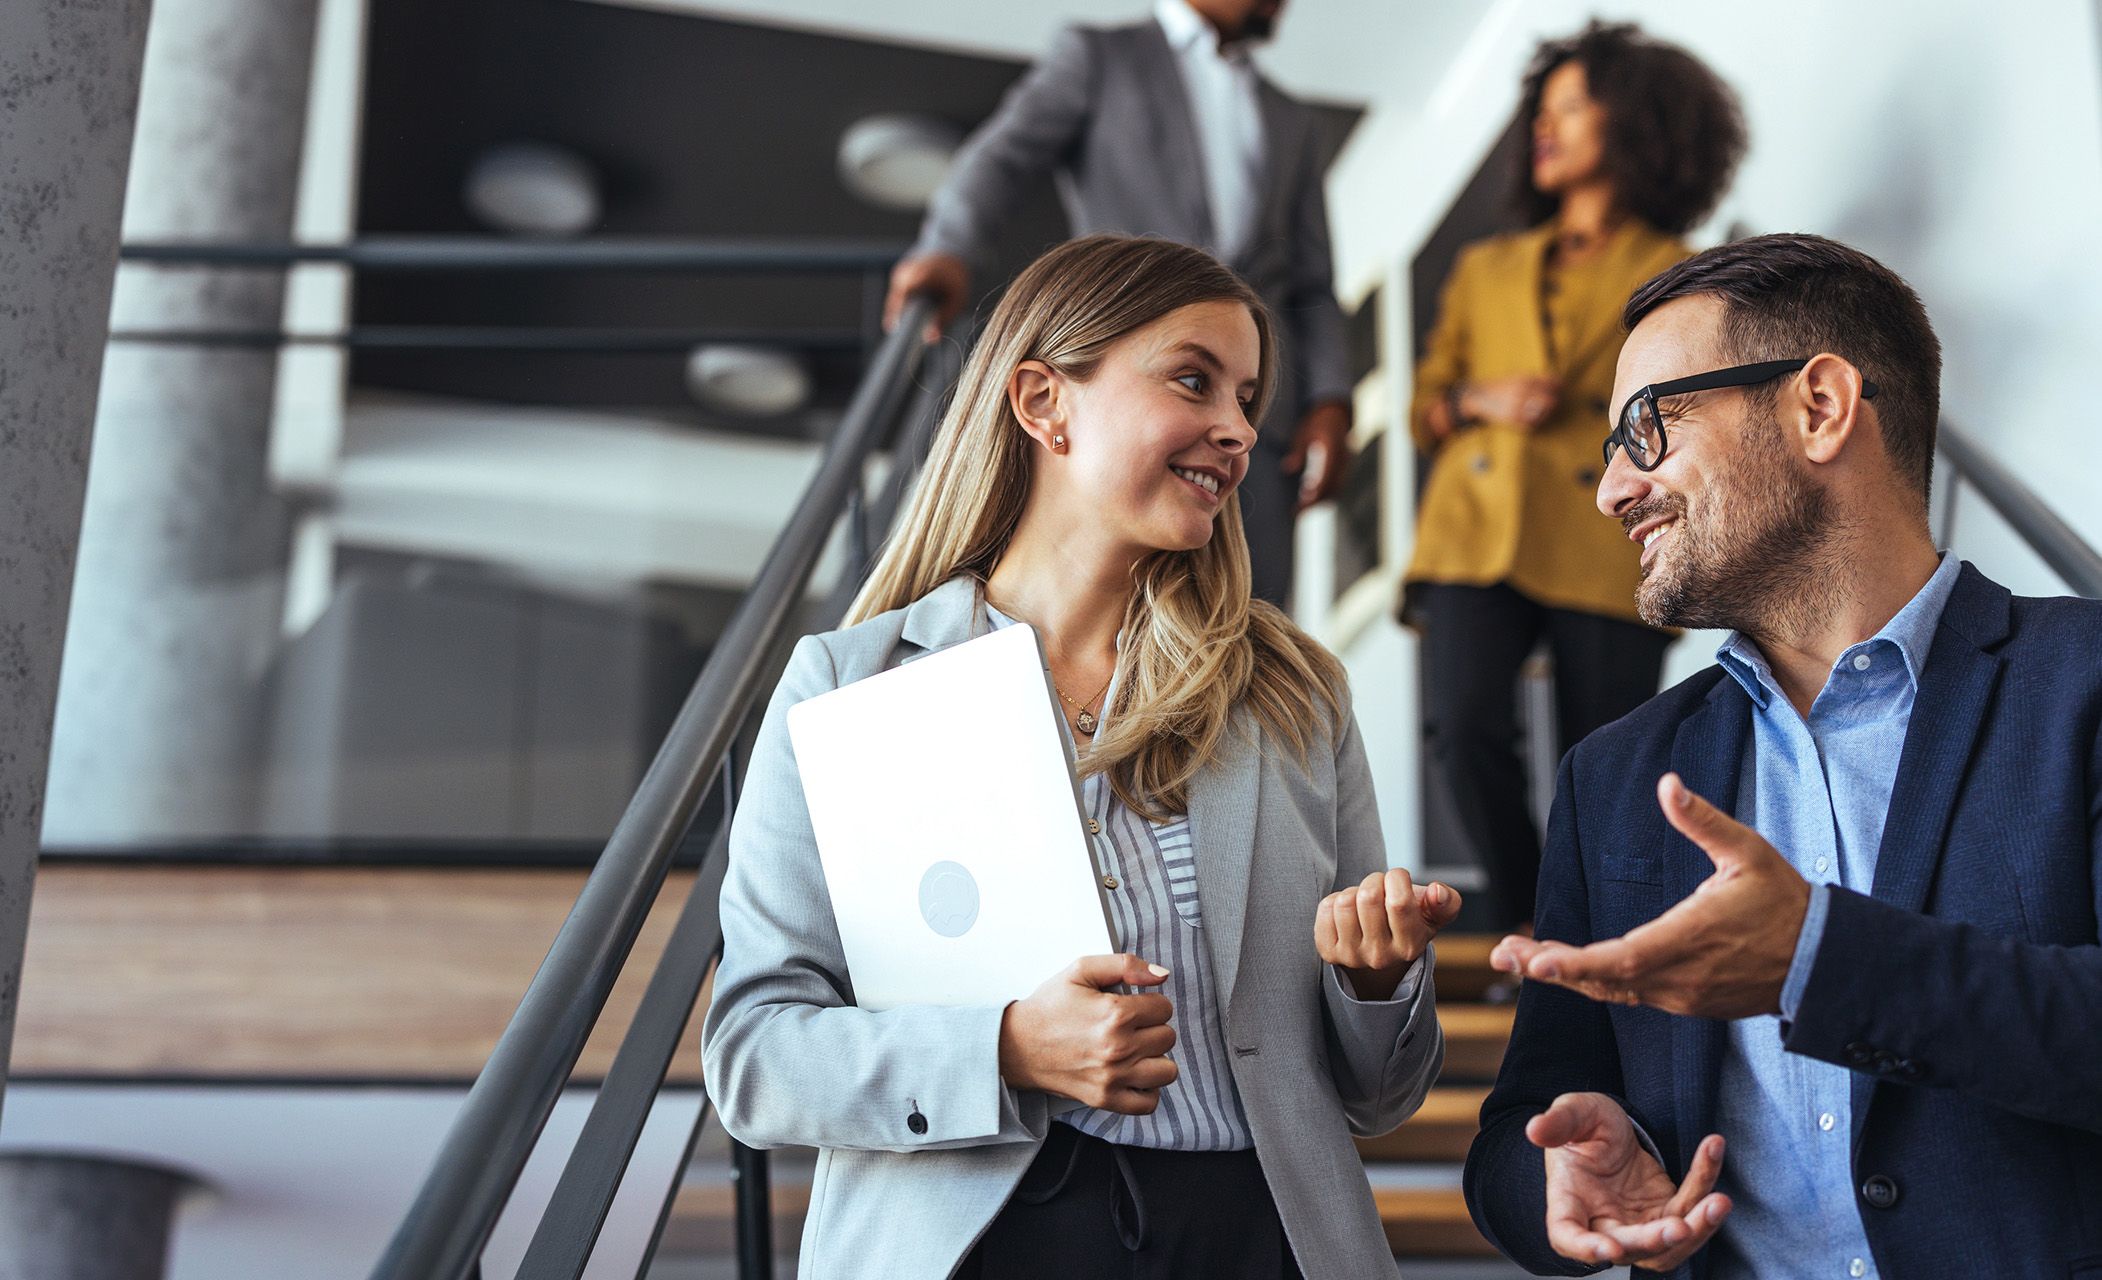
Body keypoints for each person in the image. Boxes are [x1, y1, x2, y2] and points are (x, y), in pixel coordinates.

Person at [705, 235, 1460, 1278]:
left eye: (1247, 396)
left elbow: (1380, 1093)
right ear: (1041, 401)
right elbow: (753, 1055)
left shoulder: (1294, 688)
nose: (1238, 429)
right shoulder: (850, 685)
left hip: (1260, 1236)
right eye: (1193, 379)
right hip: (985, 1241)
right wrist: (1007, 1046)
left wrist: (1375, 980)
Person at [1462, 233, 2102, 1278]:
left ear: (1818, 406)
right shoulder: (1612, 777)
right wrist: (1553, 1177)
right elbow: (1520, 1122)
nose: (1610, 488)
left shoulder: (2080, 681)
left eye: (1645, 427)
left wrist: (1823, 958)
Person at [1402, 22, 1746, 932]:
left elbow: (1692, 400)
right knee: (1462, 726)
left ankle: (1606, 929)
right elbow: (1424, 405)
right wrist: (1482, 397)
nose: (1544, 129)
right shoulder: (1486, 268)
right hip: (1475, 528)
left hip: (1606, 527)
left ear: (1633, 121)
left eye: (1570, 108)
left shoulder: (1682, 270)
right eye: (1539, 112)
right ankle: (1535, 919)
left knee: (1607, 749)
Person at [883, 0, 1354, 608]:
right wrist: (948, 247)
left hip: (1264, 412)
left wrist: (1333, 399)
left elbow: (1314, 281)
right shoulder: (1101, 56)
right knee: (1113, 597)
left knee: (1248, 616)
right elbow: (1002, 157)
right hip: (1132, 374)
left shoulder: (1291, 118)